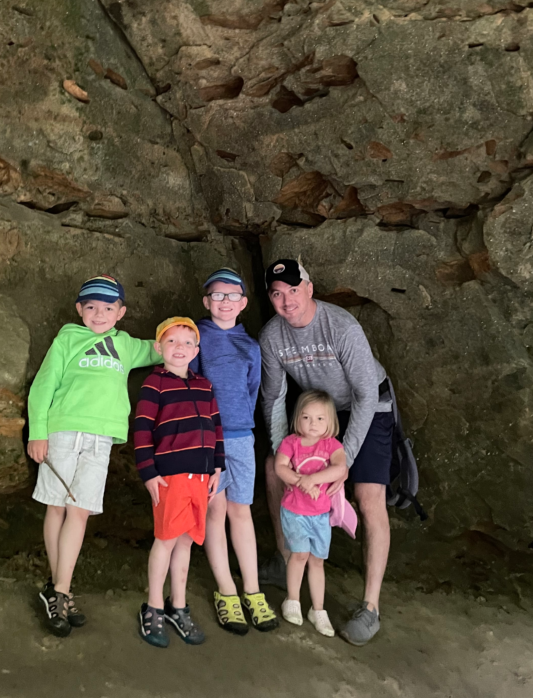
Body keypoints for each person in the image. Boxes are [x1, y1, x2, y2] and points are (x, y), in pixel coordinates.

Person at [259, 258, 394, 646]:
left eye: (293, 290)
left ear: (309, 288)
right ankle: (289, 559)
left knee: (369, 496)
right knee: (272, 469)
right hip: (318, 414)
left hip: (367, 407)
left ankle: (370, 607)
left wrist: (343, 462)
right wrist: (285, 456)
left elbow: (367, 394)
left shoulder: (341, 326)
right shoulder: (273, 336)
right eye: (277, 294)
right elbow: (274, 397)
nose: (287, 301)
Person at [27, 275, 159, 637]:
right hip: (63, 430)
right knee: (56, 506)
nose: (99, 314)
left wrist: (201, 332)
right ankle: (62, 592)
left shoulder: (127, 345)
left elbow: (165, 346)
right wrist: (37, 431)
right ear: (79, 310)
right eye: (91, 308)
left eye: (108, 308)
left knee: (80, 511)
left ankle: (57, 590)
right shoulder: (68, 338)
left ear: (121, 312)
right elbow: (44, 384)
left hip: (101, 438)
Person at [193, 268, 278, 634]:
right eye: (217, 295)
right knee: (214, 510)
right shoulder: (196, 337)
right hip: (207, 434)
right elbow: (189, 382)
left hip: (242, 435)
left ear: (243, 304)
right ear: (206, 301)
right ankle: (226, 591)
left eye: (232, 297)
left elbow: (253, 389)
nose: (224, 303)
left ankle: (252, 590)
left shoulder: (250, 345)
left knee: (240, 510)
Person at [134, 317, 224, 648]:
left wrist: (217, 467)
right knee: (166, 540)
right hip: (170, 477)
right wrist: (148, 472)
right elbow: (142, 429)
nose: (180, 348)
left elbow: (216, 428)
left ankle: (178, 604)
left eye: (187, 343)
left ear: (196, 351)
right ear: (158, 348)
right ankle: (154, 605)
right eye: (172, 341)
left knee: (186, 541)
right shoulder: (153, 384)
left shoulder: (204, 386)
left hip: (201, 477)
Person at [274, 390, 346, 637]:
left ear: (330, 421)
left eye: (319, 419)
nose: (312, 424)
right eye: (306, 417)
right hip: (295, 511)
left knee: (317, 560)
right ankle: (292, 599)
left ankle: (318, 609)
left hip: (320, 515)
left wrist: (312, 480)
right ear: (297, 418)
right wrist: (299, 480)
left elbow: (340, 467)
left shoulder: (332, 445)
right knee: (300, 554)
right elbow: (279, 466)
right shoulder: (290, 442)